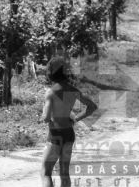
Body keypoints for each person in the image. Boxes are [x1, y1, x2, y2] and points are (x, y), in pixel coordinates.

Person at [40, 57, 98, 187]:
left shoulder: (50, 92)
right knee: (64, 171)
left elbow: (46, 118)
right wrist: (76, 118)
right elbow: (92, 107)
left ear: (51, 73)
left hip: (55, 134)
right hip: (69, 134)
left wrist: (43, 113)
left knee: (46, 171)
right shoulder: (73, 90)